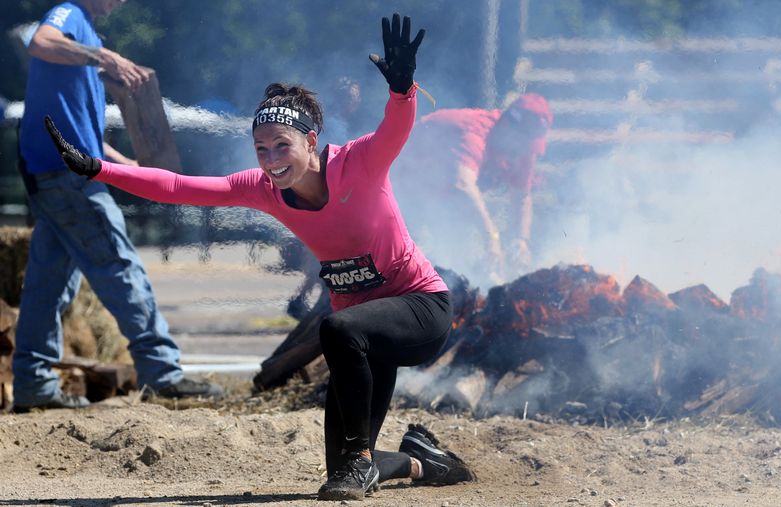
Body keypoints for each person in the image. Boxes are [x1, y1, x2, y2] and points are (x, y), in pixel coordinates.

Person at [44, 12, 474, 501]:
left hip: (420, 309)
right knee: (340, 464)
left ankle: (361, 460)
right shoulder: (265, 189)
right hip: (364, 329)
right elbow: (180, 188)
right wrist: (99, 169)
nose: (271, 161)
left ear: (311, 141)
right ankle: (422, 461)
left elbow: (395, 128)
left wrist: (403, 90)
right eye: (262, 150)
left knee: (337, 330)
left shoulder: (359, 163)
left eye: (282, 147)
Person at [13, 0, 223, 413]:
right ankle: (162, 373)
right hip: (69, 178)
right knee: (120, 267)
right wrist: (106, 56)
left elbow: (82, 131)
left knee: (49, 283)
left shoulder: (83, 33)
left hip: (54, 174)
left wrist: (129, 167)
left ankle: (32, 381)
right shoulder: (69, 15)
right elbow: (41, 40)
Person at [391, 92, 553, 288]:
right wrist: (491, 236)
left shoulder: (523, 148)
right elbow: (463, 184)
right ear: (511, 130)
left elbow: (522, 196)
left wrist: (521, 239)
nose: (525, 151)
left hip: (442, 200)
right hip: (401, 191)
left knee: (463, 264)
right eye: (523, 144)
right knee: (416, 263)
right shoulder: (475, 132)